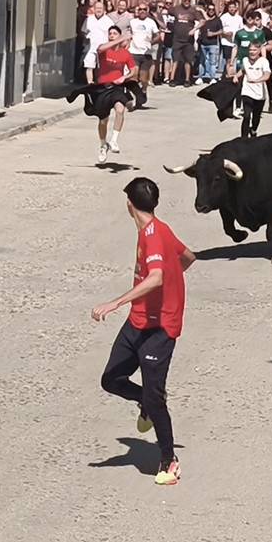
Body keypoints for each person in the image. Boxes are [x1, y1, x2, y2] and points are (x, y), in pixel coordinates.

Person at [93, 177, 196, 487]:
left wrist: (115, 302)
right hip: (138, 320)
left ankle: (169, 460)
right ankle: (144, 403)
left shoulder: (153, 235)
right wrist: (173, 281)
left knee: (156, 395)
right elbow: (188, 257)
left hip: (161, 328)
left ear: (129, 204)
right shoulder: (157, 229)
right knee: (111, 379)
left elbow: (155, 278)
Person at [94, 27, 139, 162]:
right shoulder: (104, 49)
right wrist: (121, 38)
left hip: (117, 87)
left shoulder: (125, 53)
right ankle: (103, 145)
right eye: (110, 34)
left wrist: (124, 77)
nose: (112, 35)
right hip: (102, 87)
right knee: (103, 120)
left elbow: (133, 70)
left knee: (120, 109)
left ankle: (114, 140)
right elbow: (100, 49)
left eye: (115, 34)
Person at [229, 10, 267, 115]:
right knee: (238, 84)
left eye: (252, 17)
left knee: (254, 82)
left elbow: (262, 47)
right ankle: (237, 107)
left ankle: (254, 106)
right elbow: (235, 47)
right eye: (248, 17)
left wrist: (263, 60)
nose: (250, 19)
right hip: (241, 61)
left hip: (255, 64)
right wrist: (232, 62)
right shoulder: (239, 33)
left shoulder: (259, 33)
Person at [235, 43, 271, 138]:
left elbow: (267, 75)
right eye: (250, 50)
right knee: (246, 116)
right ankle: (244, 139)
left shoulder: (264, 61)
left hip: (259, 94)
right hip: (247, 92)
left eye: (254, 50)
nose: (252, 52)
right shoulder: (245, 60)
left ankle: (253, 130)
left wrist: (256, 80)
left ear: (259, 51)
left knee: (256, 117)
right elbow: (243, 70)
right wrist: (236, 76)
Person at [170, 0, 203, 86]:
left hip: (188, 40)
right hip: (177, 39)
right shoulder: (176, 9)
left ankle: (187, 79)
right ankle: (172, 79)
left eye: (189, 0)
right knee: (175, 59)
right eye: (185, 0)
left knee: (188, 60)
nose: (187, 2)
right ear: (182, 0)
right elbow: (164, 10)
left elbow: (202, 21)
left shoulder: (193, 11)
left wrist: (194, 29)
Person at [130, 3, 161, 93]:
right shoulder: (133, 22)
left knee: (143, 78)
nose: (142, 11)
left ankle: (143, 91)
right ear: (137, 11)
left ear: (147, 11)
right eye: (140, 9)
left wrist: (151, 42)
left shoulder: (151, 22)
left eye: (144, 9)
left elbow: (158, 36)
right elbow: (130, 34)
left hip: (146, 53)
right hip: (134, 51)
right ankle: (135, 94)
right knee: (134, 75)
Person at [83, 2, 116, 84]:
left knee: (102, 67)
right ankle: (90, 83)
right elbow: (83, 31)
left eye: (100, 8)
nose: (99, 10)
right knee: (89, 66)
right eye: (97, 8)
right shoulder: (89, 19)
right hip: (90, 47)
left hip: (103, 48)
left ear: (104, 9)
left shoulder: (109, 21)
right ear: (93, 9)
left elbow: (113, 35)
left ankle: (101, 82)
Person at [198, 2, 224, 83]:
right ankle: (200, 77)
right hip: (203, 43)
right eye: (209, 9)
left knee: (213, 63)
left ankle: (212, 78)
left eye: (213, 9)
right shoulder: (203, 19)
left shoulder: (217, 20)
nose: (211, 11)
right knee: (201, 61)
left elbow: (221, 30)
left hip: (213, 44)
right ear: (207, 10)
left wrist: (213, 33)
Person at [220, 0, 243, 76]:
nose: (232, 9)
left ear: (236, 8)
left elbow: (241, 29)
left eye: (233, 7)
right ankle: (229, 75)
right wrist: (225, 33)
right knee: (228, 59)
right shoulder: (224, 17)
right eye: (230, 7)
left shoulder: (239, 18)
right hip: (226, 42)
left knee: (235, 59)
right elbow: (220, 29)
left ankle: (234, 74)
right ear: (228, 8)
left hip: (236, 42)